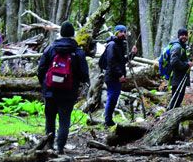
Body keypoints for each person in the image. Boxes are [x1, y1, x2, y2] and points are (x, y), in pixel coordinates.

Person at [36, 22, 89, 155]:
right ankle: (60, 147)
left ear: (61, 33)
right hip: (68, 92)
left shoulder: (51, 49)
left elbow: (40, 69)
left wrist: (44, 85)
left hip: (50, 91)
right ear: (73, 34)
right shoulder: (78, 52)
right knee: (64, 120)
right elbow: (84, 74)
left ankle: (49, 145)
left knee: (50, 119)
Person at [99, 24, 130, 127]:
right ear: (116, 32)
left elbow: (122, 61)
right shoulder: (112, 45)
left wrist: (132, 54)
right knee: (112, 97)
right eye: (121, 31)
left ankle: (109, 119)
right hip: (112, 76)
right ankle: (107, 120)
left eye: (124, 32)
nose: (123, 34)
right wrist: (120, 74)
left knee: (114, 97)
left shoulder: (121, 45)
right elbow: (111, 62)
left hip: (116, 76)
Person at [166, 27, 193, 110]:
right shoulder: (177, 47)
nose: (184, 37)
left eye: (186, 35)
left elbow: (184, 61)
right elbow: (174, 62)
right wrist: (186, 64)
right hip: (177, 77)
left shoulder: (183, 47)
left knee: (178, 99)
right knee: (176, 99)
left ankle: (172, 114)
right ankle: (170, 115)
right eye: (182, 35)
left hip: (181, 77)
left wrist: (191, 62)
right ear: (178, 36)